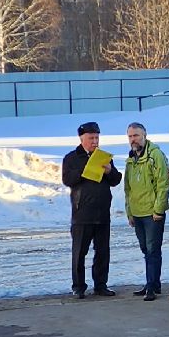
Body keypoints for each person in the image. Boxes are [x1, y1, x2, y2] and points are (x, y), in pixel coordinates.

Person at [61, 122, 121, 299]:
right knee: (79, 252)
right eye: (91, 138)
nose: (95, 141)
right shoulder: (71, 158)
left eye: (97, 138)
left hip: (102, 213)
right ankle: (78, 286)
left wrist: (109, 171)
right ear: (82, 139)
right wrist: (85, 168)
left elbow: (115, 179)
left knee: (103, 252)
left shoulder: (104, 157)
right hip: (82, 214)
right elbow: (68, 179)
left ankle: (101, 285)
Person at [123, 122, 169, 300]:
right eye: (130, 136)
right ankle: (153, 283)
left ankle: (151, 286)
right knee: (145, 249)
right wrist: (130, 212)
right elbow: (127, 188)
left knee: (152, 250)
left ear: (144, 135)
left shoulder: (155, 155)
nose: (133, 139)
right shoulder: (131, 158)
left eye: (136, 135)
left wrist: (158, 209)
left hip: (152, 213)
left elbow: (163, 184)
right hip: (137, 212)